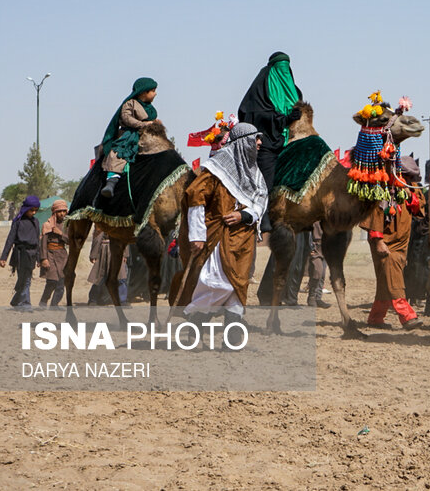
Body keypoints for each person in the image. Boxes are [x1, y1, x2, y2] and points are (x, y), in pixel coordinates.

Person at [176, 123, 268, 332]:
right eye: (256, 139)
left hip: (244, 238)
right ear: (244, 143)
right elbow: (195, 197)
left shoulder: (255, 173)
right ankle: (194, 320)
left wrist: (244, 215)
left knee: (239, 284)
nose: (260, 143)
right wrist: (197, 235)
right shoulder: (216, 169)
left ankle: (233, 335)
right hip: (218, 238)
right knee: (217, 282)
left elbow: (260, 203)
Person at [237, 52, 303, 227]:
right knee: (266, 181)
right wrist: (283, 119)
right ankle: (262, 220)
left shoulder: (295, 92)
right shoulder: (260, 90)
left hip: (290, 143)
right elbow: (252, 114)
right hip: (266, 144)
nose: (284, 72)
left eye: (286, 67)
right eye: (280, 67)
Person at [360, 157, 424, 330]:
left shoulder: (411, 188)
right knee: (393, 279)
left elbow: (420, 209)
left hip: (402, 244)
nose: (408, 179)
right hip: (385, 244)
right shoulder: (382, 188)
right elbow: (374, 215)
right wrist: (378, 241)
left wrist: (411, 195)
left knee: (385, 280)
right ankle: (407, 316)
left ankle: (375, 318)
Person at [99, 77, 162, 199]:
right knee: (117, 154)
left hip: (147, 136)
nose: (156, 93)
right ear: (144, 92)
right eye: (153, 90)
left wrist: (155, 123)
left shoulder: (150, 108)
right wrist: (144, 124)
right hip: (128, 136)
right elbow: (127, 119)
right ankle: (111, 183)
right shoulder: (130, 104)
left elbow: (151, 121)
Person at [0, 195, 41, 311]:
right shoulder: (17, 222)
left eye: (35, 210)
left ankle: (16, 301)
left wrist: (39, 258)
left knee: (25, 279)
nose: (33, 213)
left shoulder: (36, 222)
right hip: (20, 254)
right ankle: (25, 304)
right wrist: (4, 257)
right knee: (25, 279)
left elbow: (37, 241)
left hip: (31, 254)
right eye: (31, 210)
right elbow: (10, 240)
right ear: (26, 208)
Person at [37, 199, 69, 309]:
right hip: (50, 254)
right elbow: (43, 243)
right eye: (59, 211)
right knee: (51, 281)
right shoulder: (47, 225)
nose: (62, 214)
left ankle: (55, 304)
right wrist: (43, 259)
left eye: (64, 211)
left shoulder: (67, 226)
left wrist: (60, 233)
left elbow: (69, 241)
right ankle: (43, 302)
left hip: (62, 256)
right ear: (54, 212)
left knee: (61, 283)